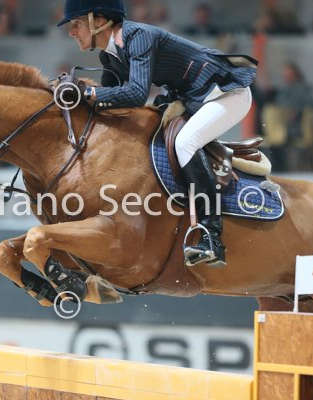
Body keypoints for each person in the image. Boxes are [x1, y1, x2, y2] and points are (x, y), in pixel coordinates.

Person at [56, 0, 258, 268]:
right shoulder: (109, 56)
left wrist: (88, 92)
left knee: (186, 142)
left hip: (225, 93)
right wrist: (72, 96)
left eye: (77, 23)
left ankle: (211, 235)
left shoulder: (138, 36)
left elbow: (136, 94)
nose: (72, 31)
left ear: (99, 21)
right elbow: (109, 105)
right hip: (193, 99)